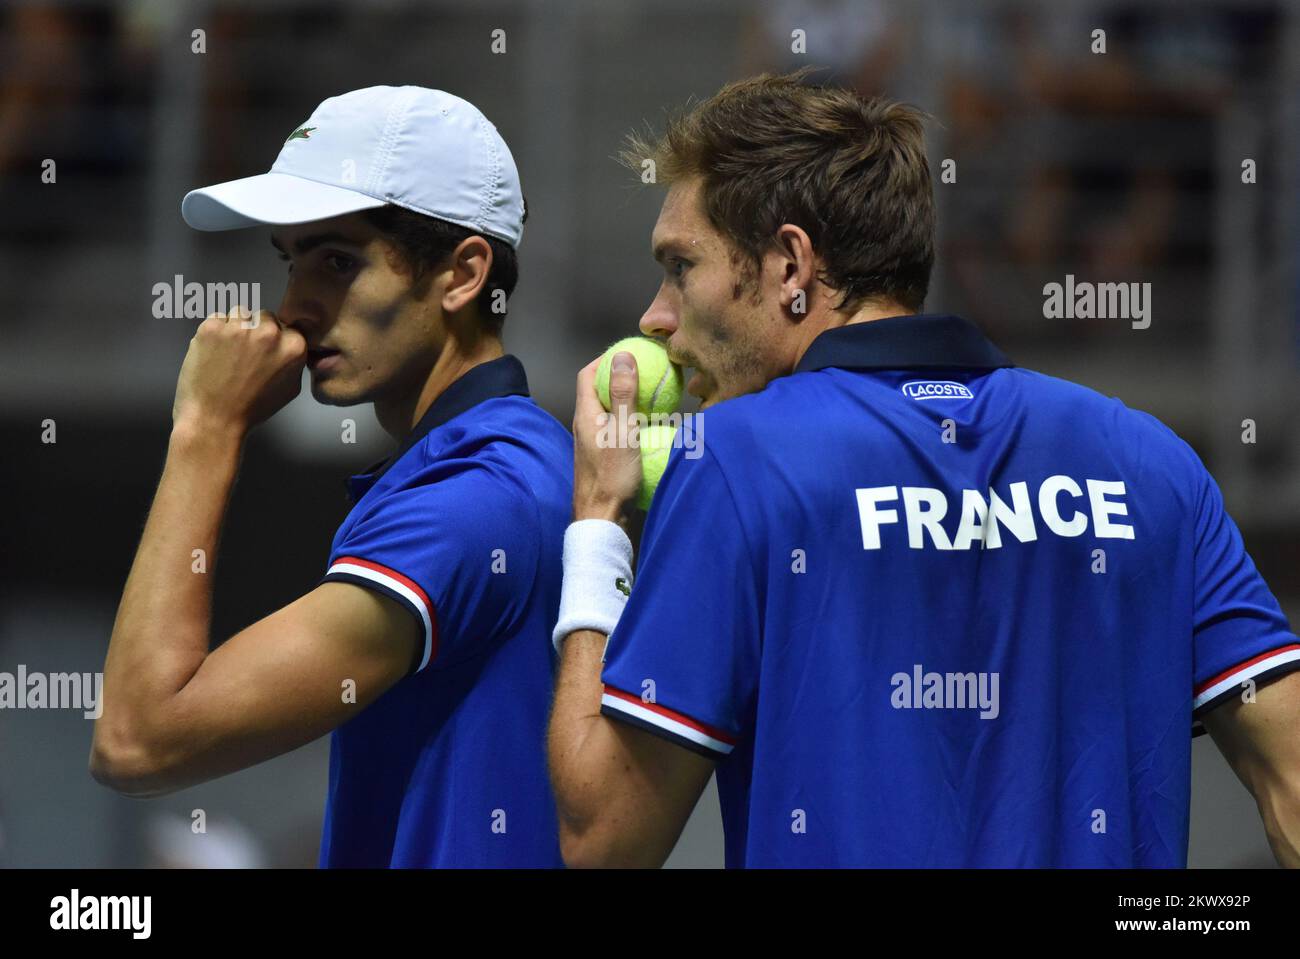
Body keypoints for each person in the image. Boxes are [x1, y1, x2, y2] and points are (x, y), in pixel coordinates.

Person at [547, 72, 1300, 868]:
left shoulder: (735, 461)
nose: (655, 317)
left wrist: (597, 522)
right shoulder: (1150, 461)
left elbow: (601, 840)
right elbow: (1290, 779)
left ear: (792, 267)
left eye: (680, 266)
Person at [91, 86, 572, 868]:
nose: (294, 308)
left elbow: (137, 737)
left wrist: (206, 429)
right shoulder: (498, 466)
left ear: (462, 274)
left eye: (338, 261)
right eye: (291, 262)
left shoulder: (477, 501)